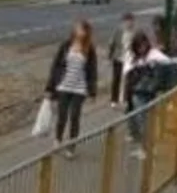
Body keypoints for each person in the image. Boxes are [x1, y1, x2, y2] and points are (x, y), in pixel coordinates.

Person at [45, 19, 98, 156]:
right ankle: (58, 140)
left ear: (86, 32)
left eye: (82, 29)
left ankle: (71, 146)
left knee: (74, 116)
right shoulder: (65, 46)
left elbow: (92, 70)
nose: (80, 31)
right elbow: (55, 67)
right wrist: (50, 88)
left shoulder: (89, 49)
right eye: (78, 28)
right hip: (64, 86)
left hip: (79, 89)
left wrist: (92, 92)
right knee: (62, 116)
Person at [121, 31, 171, 160]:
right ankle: (145, 147)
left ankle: (147, 148)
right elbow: (127, 76)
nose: (141, 49)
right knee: (141, 121)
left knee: (145, 122)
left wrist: (154, 83)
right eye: (138, 46)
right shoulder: (133, 57)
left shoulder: (153, 56)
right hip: (137, 93)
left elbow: (167, 63)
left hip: (146, 93)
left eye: (143, 45)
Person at [107, 13, 136, 109]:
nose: (129, 23)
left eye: (131, 21)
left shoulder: (134, 33)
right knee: (116, 79)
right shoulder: (118, 32)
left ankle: (125, 99)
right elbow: (112, 44)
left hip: (130, 58)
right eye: (127, 21)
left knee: (128, 80)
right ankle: (113, 100)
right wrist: (110, 56)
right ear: (123, 22)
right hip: (118, 57)